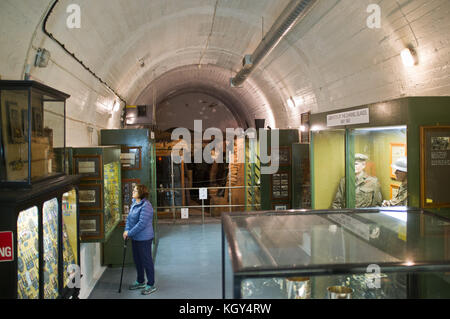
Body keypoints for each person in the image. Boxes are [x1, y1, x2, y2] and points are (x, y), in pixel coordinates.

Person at [123, 184, 157, 295]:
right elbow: (129, 219)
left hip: (144, 238)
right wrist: (126, 230)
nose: (133, 191)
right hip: (135, 237)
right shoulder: (134, 203)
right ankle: (140, 281)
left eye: (135, 190)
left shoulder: (146, 206)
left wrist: (130, 233)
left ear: (141, 193)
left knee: (146, 261)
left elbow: (141, 224)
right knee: (137, 260)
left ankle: (151, 284)